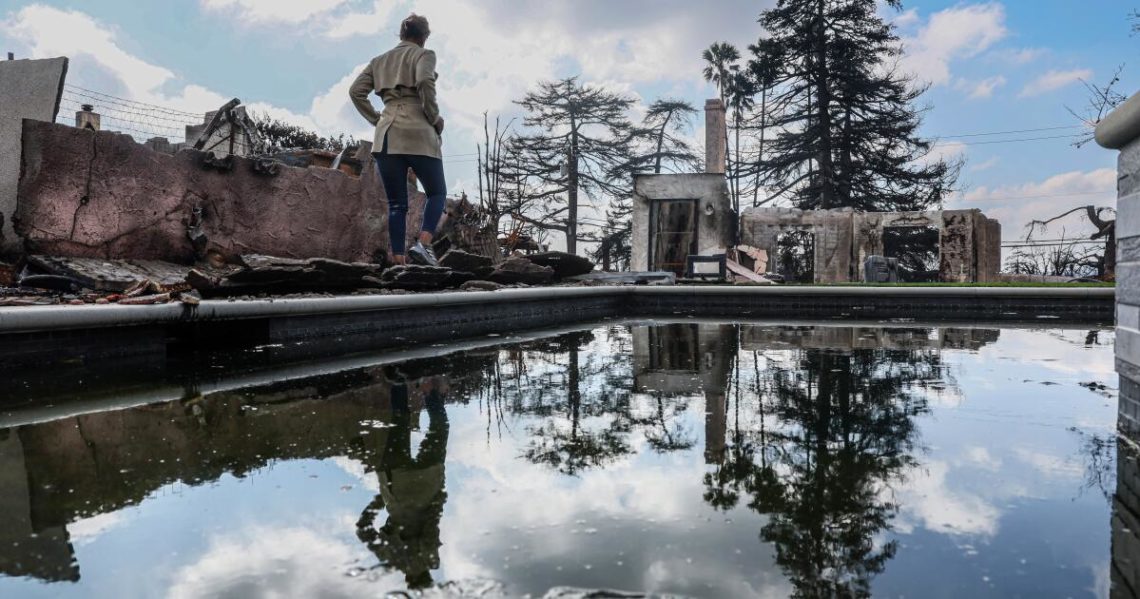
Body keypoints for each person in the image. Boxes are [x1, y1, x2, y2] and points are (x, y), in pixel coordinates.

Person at [350, 13, 445, 267]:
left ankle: (400, 263)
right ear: (424, 36)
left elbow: (355, 92)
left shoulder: (379, 61)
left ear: (401, 35)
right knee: (437, 192)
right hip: (418, 131)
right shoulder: (424, 55)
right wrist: (435, 118)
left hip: (387, 135)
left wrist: (377, 119)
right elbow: (425, 81)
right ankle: (423, 245)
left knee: (396, 204)